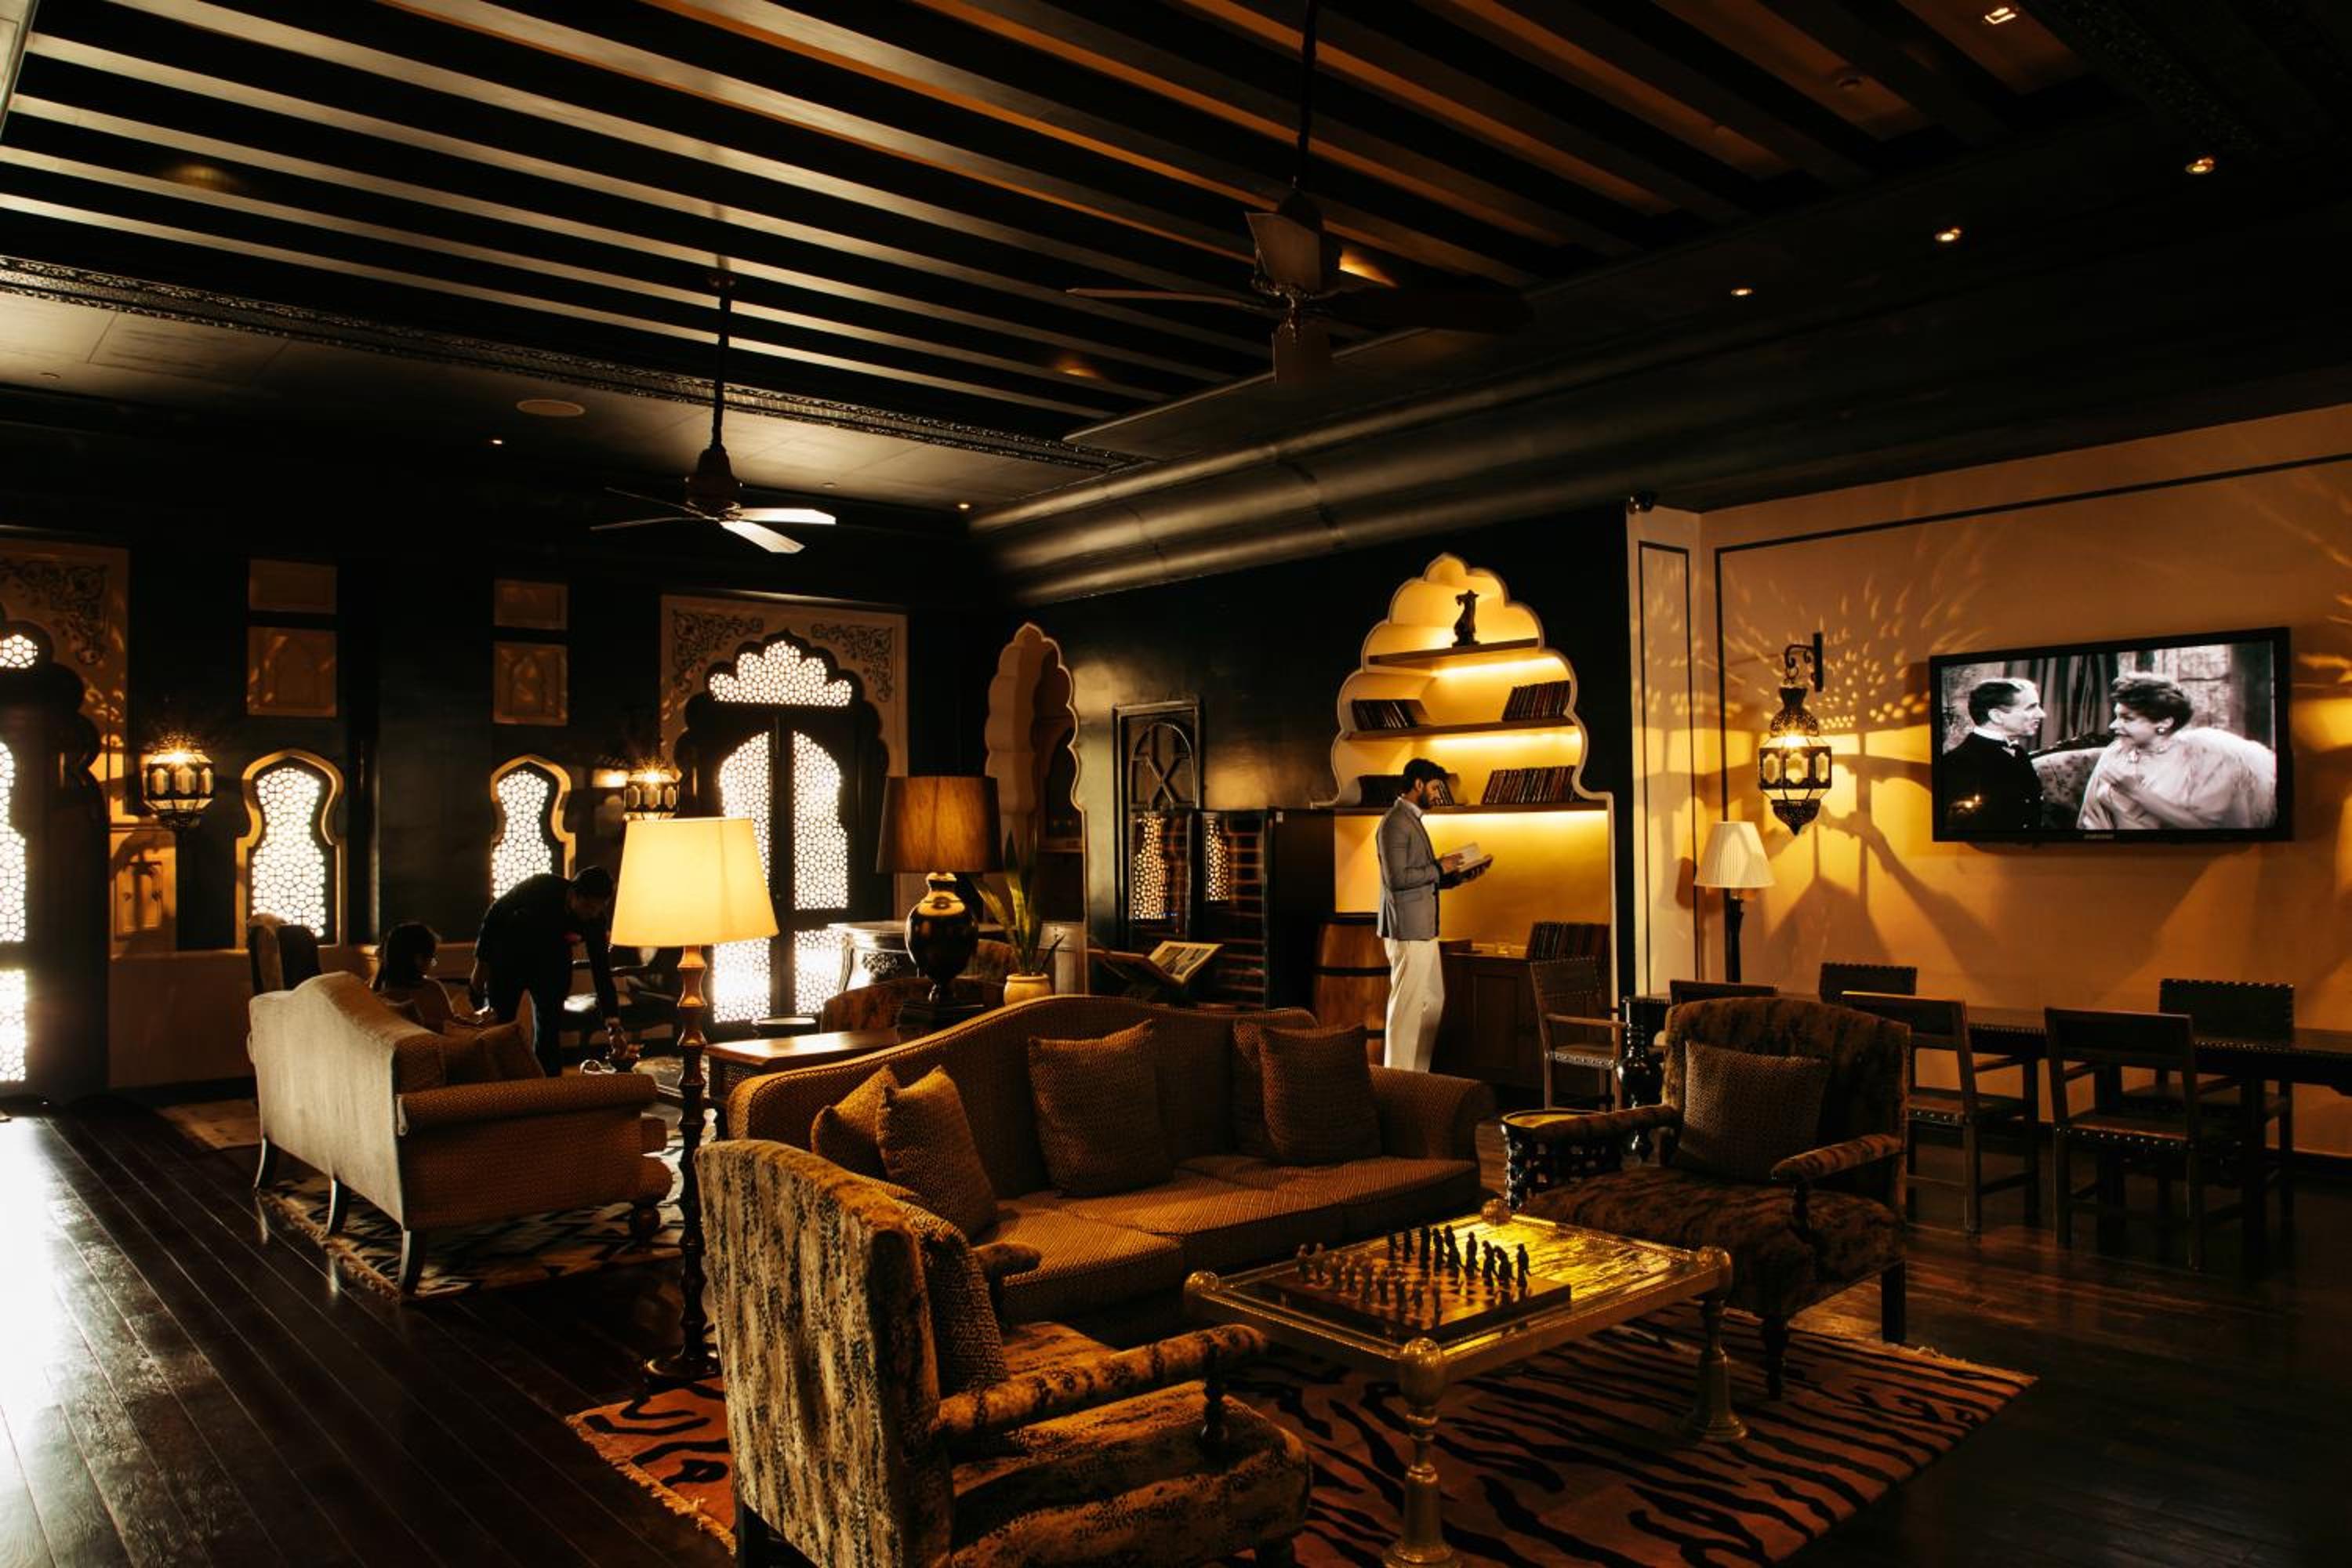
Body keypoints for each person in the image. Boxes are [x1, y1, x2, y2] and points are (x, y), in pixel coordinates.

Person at [1375, 757, 1488, 1073]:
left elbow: (1421, 876)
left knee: (1432, 1003)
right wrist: (1439, 867)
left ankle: (1418, 1076)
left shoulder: (1413, 819)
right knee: (1406, 1010)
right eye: (1436, 788)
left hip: (1424, 929)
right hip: (1408, 930)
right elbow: (1397, 879)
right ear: (1418, 784)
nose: (1438, 794)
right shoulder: (1395, 822)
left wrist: (1457, 876)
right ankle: (1398, 1080)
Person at [473, 866, 631, 1076]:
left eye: (598, 908)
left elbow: (602, 971)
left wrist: (614, 1026)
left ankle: (549, 1086)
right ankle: (496, 1084)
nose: (591, 914)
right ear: (573, 893)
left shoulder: (595, 920)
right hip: (509, 957)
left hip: (552, 965)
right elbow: (495, 914)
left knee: (549, 1033)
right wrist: (481, 965)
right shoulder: (541, 886)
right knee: (499, 1029)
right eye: (587, 906)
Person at [2078, 673, 2277, 831]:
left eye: (2127, 718)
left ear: (2164, 723)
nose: (2113, 726)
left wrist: (2136, 792)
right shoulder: (2115, 752)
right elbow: (2090, 817)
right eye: (2116, 717)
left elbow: (2211, 830)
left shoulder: (2204, 759)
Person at [1940, 677, 2047, 833]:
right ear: (1996, 716)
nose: (2042, 714)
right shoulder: (1958, 763)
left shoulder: (2017, 751)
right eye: (2031, 708)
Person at [371, 920, 466, 1033]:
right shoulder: (432, 989)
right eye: (432, 959)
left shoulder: (379, 999)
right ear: (419, 960)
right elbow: (452, 1027)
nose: (432, 964)